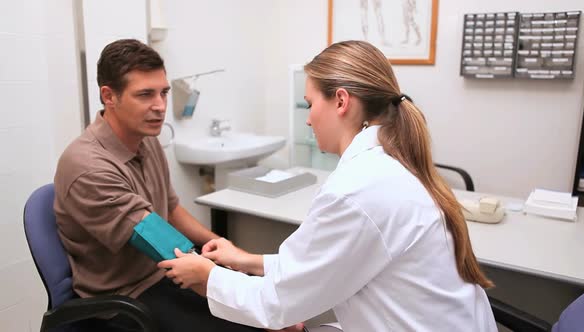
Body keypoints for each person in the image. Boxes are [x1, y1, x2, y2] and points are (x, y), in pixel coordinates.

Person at [158, 40, 499, 331]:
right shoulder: (388, 163)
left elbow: (275, 302)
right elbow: (321, 262)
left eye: (310, 103)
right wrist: (248, 260)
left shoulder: (356, 190)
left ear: (340, 101)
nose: (307, 117)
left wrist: (207, 278)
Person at [54, 39, 302, 332]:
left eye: (164, 93)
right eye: (145, 95)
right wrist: (254, 305)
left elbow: (170, 210)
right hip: (126, 297)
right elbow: (157, 239)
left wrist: (224, 248)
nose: (160, 107)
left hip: (165, 274)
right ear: (109, 96)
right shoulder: (88, 166)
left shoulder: (146, 140)